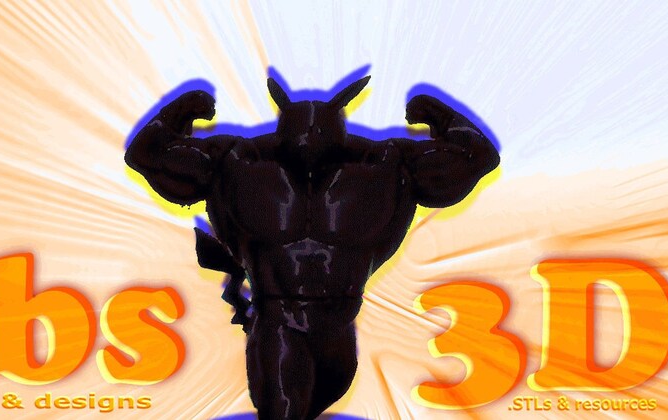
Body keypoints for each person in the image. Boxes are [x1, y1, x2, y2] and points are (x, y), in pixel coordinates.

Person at [126, 76, 499, 420]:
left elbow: (477, 158)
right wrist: (434, 113)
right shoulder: (238, 162)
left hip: (338, 329)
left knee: (309, 406)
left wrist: (186, 109)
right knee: (285, 410)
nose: (310, 133)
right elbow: (147, 155)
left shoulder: (385, 164)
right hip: (279, 321)